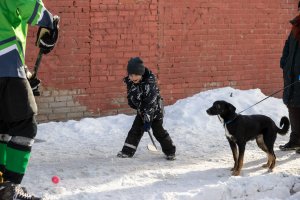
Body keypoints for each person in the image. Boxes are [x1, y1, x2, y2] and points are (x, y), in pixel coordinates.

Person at [0, 0, 59, 199]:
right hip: (4, 59)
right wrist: (50, 22)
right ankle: (9, 189)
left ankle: (2, 185)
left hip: (8, 63)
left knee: (4, 125)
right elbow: (26, 4)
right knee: (25, 124)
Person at [117, 57, 176, 160]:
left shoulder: (149, 84)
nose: (133, 77)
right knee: (135, 130)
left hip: (155, 111)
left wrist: (148, 119)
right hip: (142, 111)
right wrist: (135, 104)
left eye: (136, 75)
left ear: (141, 73)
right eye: (131, 75)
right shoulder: (131, 82)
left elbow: (150, 103)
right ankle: (127, 151)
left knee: (158, 131)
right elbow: (132, 97)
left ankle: (170, 151)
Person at [279, 1, 300, 153]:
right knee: (293, 107)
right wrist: (284, 63)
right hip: (291, 76)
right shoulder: (295, 27)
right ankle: (295, 140)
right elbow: (287, 46)